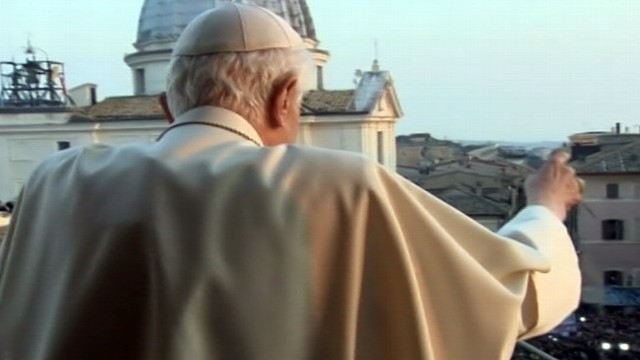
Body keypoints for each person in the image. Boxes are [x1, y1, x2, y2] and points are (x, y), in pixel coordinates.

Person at [0, 4, 582, 360]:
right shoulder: (341, 188)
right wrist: (544, 210)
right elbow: (509, 301)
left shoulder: (58, 180)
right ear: (285, 98)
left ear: (165, 104)